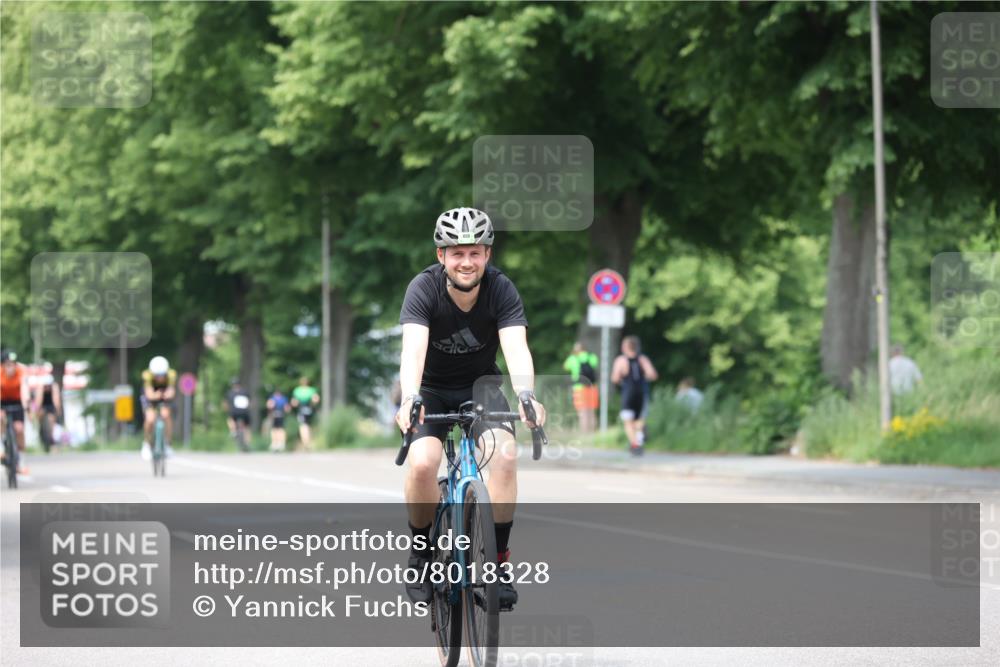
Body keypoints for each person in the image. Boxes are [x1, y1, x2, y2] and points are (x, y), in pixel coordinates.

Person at [396, 206, 546, 611]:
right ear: (441, 255)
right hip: (429, 389)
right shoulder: (423, 288)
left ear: (487, 256)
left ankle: (497, 564)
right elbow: (413, 350)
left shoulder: (502, 289)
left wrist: (527, 394)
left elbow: (516, 347)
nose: (466, 261)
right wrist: (409, 397)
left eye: (475, 252)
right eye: (457, 252)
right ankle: (421, 556)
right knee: (424, 463)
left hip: (482, 388)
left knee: (506, 457)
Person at [611, 335, 658, 456]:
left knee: (628, 421)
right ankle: (640, 436)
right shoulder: (642, 359)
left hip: (628, 393)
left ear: (625, 347)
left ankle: (635, 444)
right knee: (639, 420)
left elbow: (615, 378)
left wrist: (621, 379)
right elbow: (653, 375)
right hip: (642, 392)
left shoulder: (621, 360)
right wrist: (643, 378)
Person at [0, 350, 30, 475]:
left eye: (13, 364)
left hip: (17, 401)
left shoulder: (21, 371)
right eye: (7, 364)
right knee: (1, 420)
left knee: (19, 429)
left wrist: (25, 404)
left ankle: (21, 462)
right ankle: (2, 449)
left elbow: (24, 389)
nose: (10, 367)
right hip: (3, 400)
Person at [141, 356, 176, 460]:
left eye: (162, 375)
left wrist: (167, 395)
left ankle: (168, 444)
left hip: (163, 395)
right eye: (157, 375)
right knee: (150, 418)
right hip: (150, 397)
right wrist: (156, 395)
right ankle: (147, 444)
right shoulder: (147, 376)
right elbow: (149, 394)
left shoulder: (171, 375)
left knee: (166, 415)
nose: (160, 377)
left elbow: (171, 391)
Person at [563, 342, 599, 432]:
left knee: (582, 412)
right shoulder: (592, 357)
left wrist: (573, 355)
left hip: (579, 388)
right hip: (592, 387)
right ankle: (593, 432)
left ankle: (584, 432)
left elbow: (565, 367)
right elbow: (595, 365)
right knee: (591, 411)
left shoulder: (573, 358)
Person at [32, 361, 62, 451]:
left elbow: (56, 401)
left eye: (48, 386)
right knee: (40, 417)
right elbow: (38, 402)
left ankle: (52, 440)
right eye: (46, 386)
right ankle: (41, 434)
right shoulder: (40, 388)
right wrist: (36, 413)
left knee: (51, 420)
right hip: (42, 404)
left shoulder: (54, 387)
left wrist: (57, 411)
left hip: (51, 405)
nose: (47, 388)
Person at [290, 377, 320, 450]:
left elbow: (294, 402)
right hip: (310, 409)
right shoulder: (311, 390)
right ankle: (309, 442)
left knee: (303, 426)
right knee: (308, 425)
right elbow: (316, 399)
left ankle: (306, 442)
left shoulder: (297, 390)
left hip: (301, 409)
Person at [224, 379, 252, 452]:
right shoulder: (245, 392)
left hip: (234, 412)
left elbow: (226, 404)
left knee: (230, 419)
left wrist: (227, 410)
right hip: (245, 412)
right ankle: (247, 442)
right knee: (247, 427)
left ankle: (233, 431)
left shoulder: (230, 393)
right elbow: (249, 402)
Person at [266, 387, 289, 452]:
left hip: (279, 414)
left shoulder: (277, 399)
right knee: (275, 429)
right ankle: (275, 443)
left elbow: (286, 408)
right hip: (275, 415)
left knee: (279, 429)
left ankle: (280, 443)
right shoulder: (280, 399)